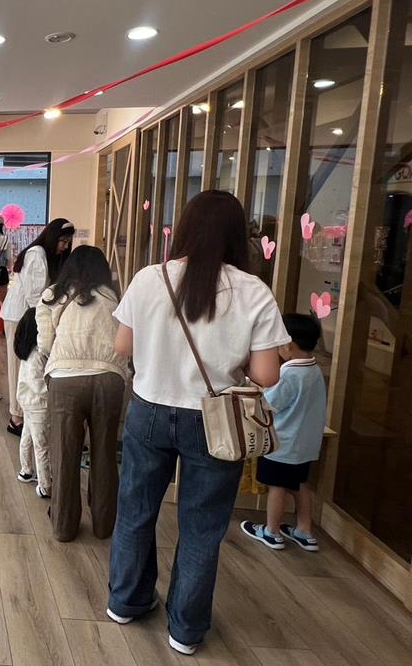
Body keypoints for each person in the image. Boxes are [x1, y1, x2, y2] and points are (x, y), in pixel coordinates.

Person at [107, 191, 289, 656]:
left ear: (185, 228)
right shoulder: (253, 290)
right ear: (237, 235)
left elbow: (122, 346)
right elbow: (267, 374)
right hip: (215, 420)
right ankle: (185, 630)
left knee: (136, 510)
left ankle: (126, 601)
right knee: (202, 526)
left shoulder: (150, 278)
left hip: (149, 409)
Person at [37, 245, 129, 540]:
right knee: (104, 453)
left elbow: (45, 345)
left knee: (65, 454)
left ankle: (64, 526)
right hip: (109, 379)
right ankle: (104, 524)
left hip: (65, 380)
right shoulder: (115, 297)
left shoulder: (53, 296)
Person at [241, 314, 326, 552]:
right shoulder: (315, 371)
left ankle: (272, 531)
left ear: (289, 345)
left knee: (277, 487)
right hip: (305, 445)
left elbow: (269, 404)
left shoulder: (289, 375)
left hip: (283, 444)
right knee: (300, 484)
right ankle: (305, 531)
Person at [0, 219, 76, 437]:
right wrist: (46, 322)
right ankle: (16, 417)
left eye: (68, 242)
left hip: (29, 316)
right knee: (19, 366)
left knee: (28, 366)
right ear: (52, 238)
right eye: (62, 241)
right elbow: (35, 296)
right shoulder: (37, 254)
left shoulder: (45, 255)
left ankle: (24, 412)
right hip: (22, 317)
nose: (65, 247)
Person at [14, 308, 50, 499]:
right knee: (41, 444)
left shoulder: (27, 352)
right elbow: (38, 384)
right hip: (38, 405)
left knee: (27, 436)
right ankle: (45, 485)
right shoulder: (36, 355)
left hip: (28, 403)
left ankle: (26, 470)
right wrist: (55, 393)